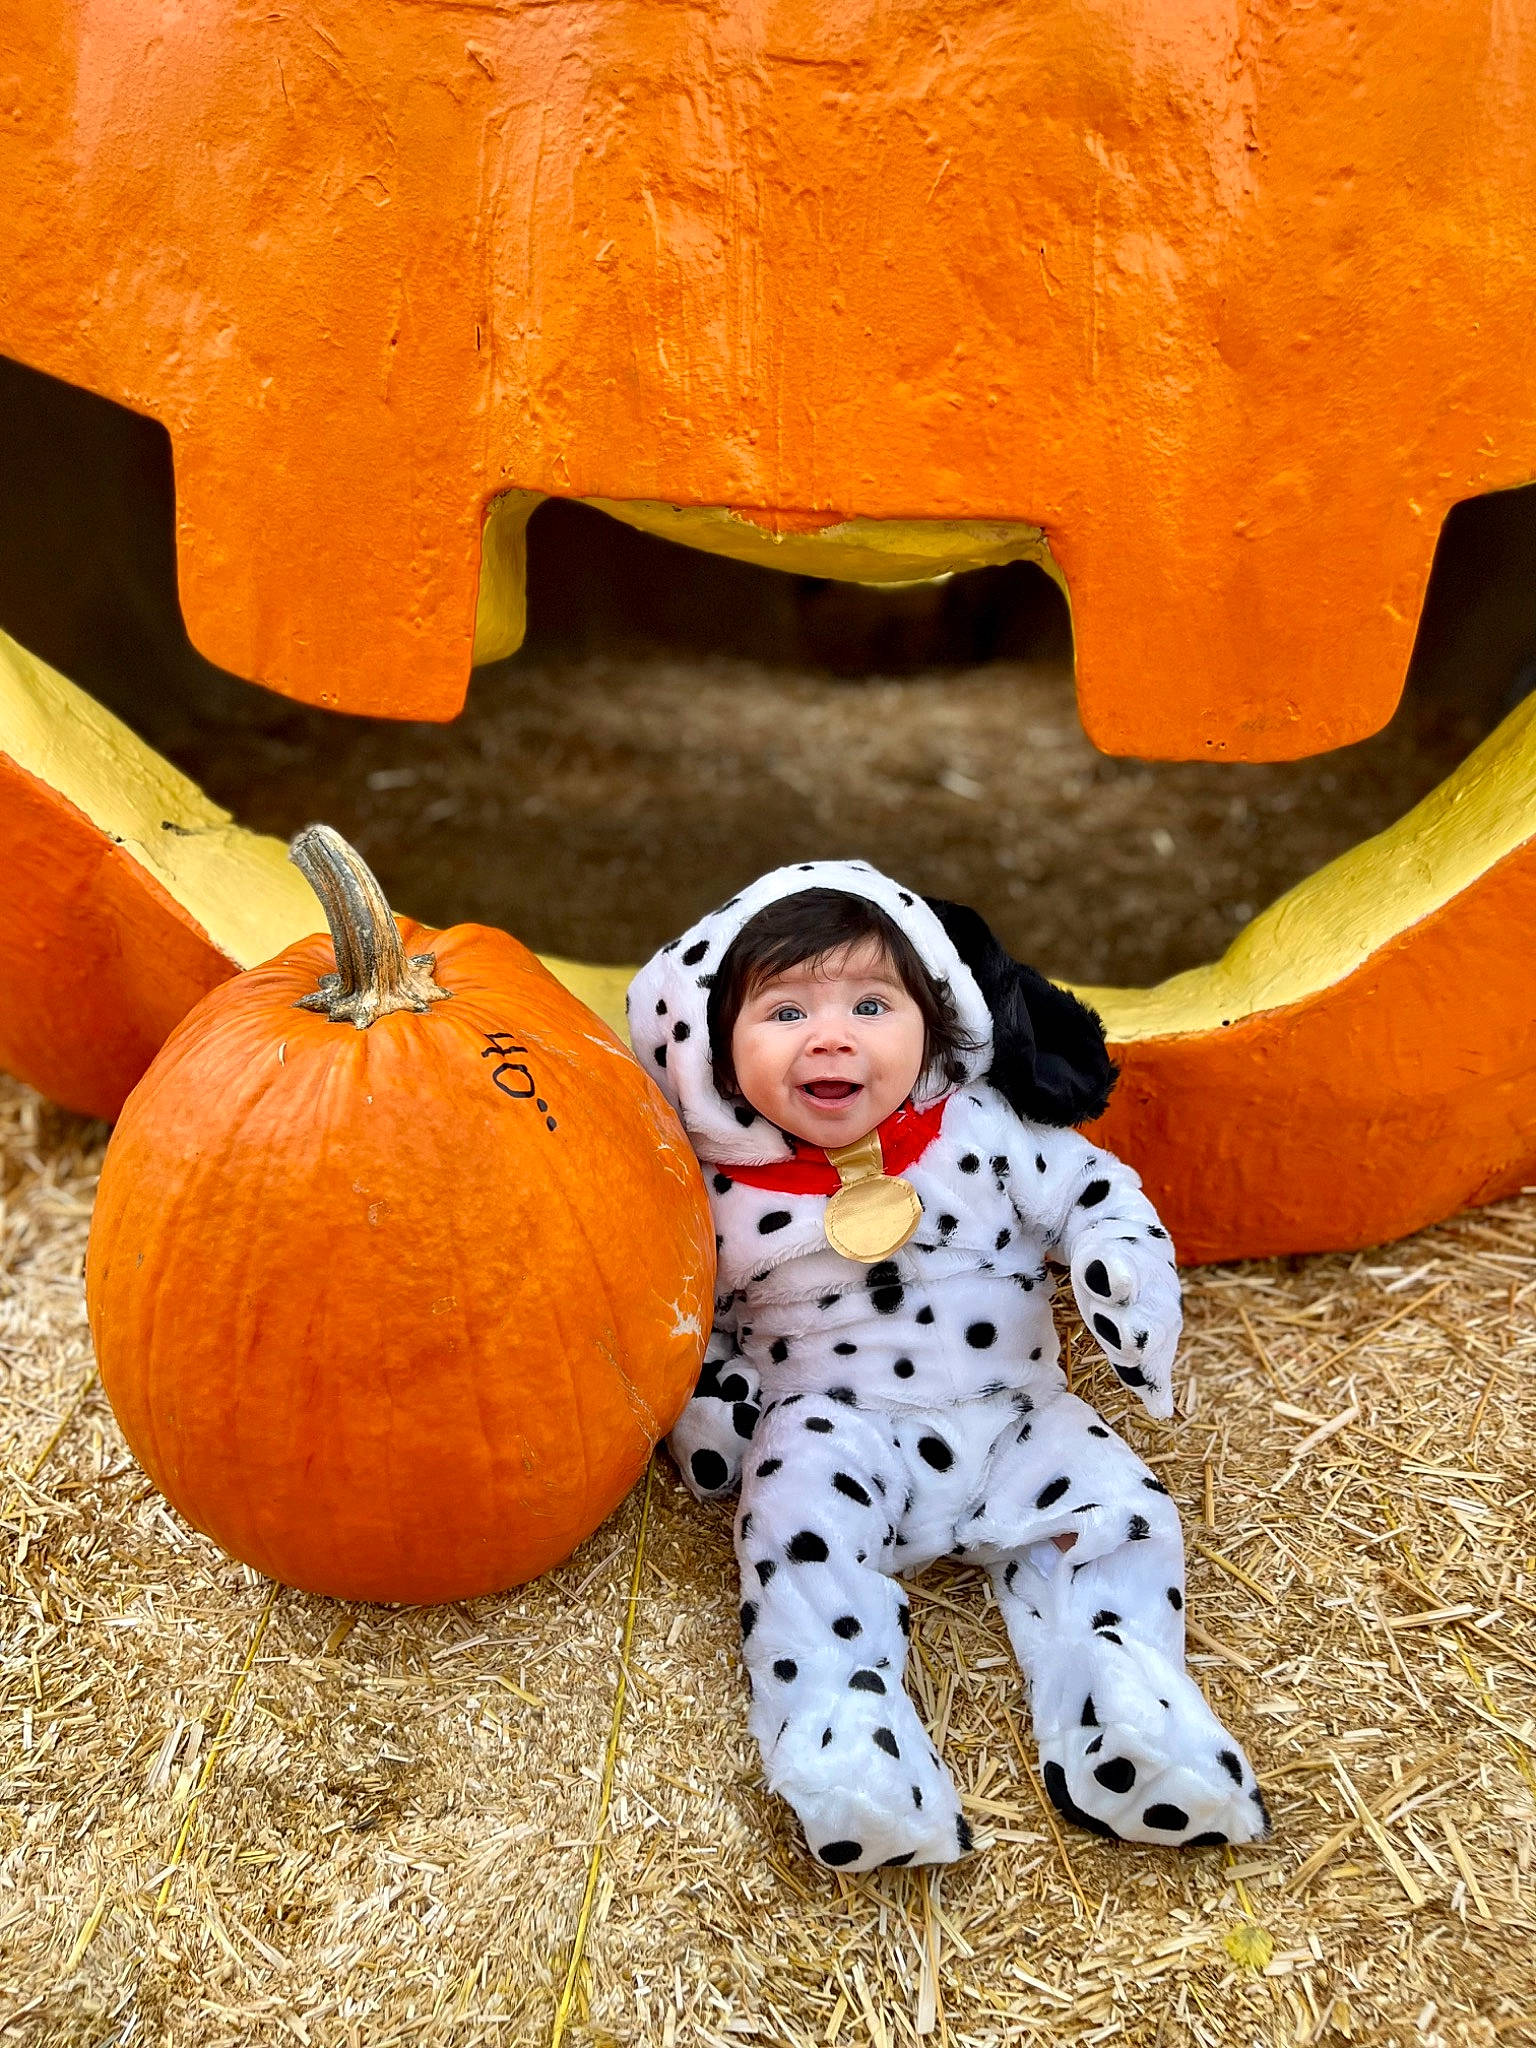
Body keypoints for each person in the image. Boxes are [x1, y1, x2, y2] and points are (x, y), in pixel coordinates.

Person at [627, 861, 1266, 1872]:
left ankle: (1129, 1709)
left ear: (935, 1017)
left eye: (872, 1004)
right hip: (833, 1416)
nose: (832, 1036)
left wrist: (1120, 1265)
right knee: (791, 1530)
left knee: (1124, 1509)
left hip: (1020, 1413)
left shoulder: (982, 1126)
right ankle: (846, 1741)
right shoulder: (706, 1191)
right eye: (785, 1008)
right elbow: (675, 1312)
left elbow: (1094, 1190)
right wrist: (713, 1406)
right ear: (709, 1043)